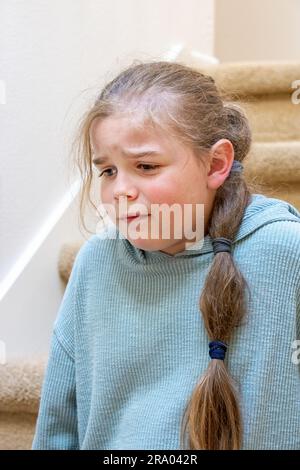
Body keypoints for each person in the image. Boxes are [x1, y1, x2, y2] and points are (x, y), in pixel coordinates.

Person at [32, 60, 300, 450]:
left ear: (217, 164)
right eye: (107, 171)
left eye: (145, 166)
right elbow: (59, 425)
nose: (119, 190)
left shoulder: (285, 254)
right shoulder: (95, 264)